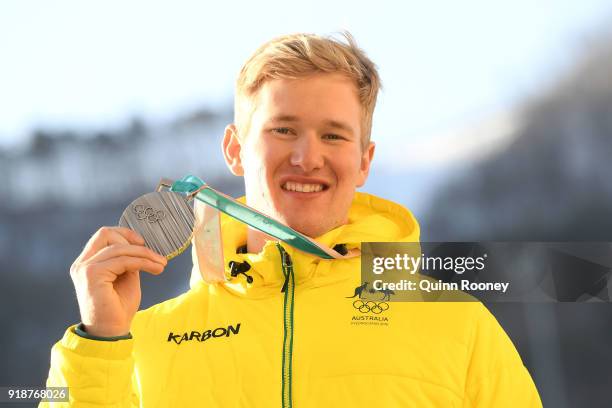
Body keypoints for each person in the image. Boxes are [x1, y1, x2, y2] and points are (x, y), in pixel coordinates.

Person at [41, 32, 542, 407]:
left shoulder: (455, 323)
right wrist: (100, 341)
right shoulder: (142, 342)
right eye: (283, 129)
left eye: (333, 135)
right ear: (235, 150)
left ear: (364, 160)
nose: (307, 157)